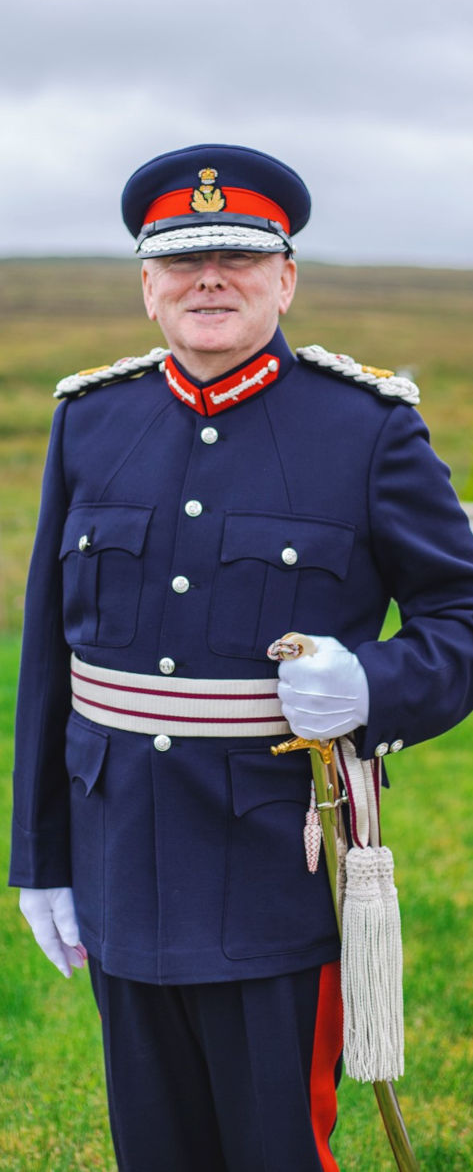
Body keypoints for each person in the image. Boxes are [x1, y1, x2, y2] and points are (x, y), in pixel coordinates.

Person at [10, 143, 473, 1172]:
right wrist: (41, 857)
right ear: (146, 284)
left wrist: (369, 683)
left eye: (235, 255)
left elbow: (459, 611)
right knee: (154, 1149)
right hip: (118, 858)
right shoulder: (92, 421)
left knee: (271, 1149)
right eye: (180, 259)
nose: (207, 277)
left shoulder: (365, 430)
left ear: (284, 276)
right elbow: (52, 655)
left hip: (279, 869)